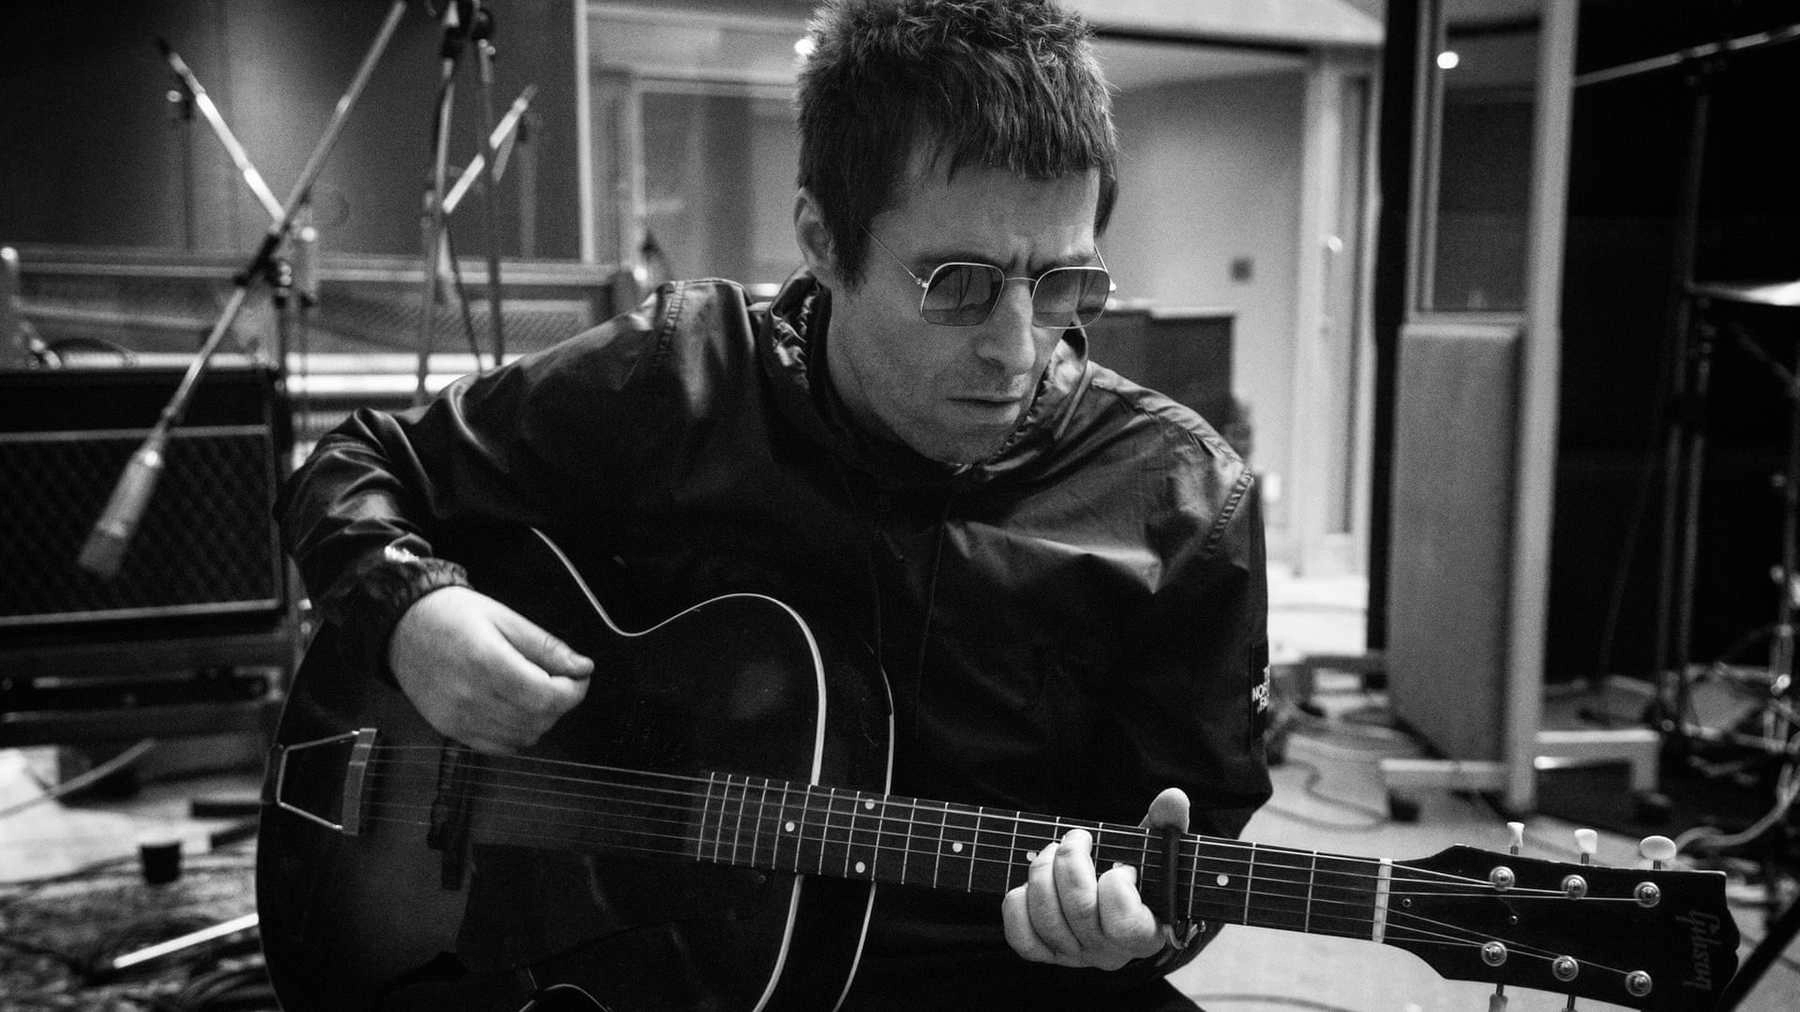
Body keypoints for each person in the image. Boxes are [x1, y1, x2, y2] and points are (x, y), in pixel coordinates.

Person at [278, 0, 1272, 1006]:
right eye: (959, 285)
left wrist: (1142, 931)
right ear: (823, 242)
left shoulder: (1181, 502)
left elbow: (1189, 858)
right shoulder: (683, 378)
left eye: (1063, 284)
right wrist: (412, 612)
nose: (1017, 348)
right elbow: (358, 462)